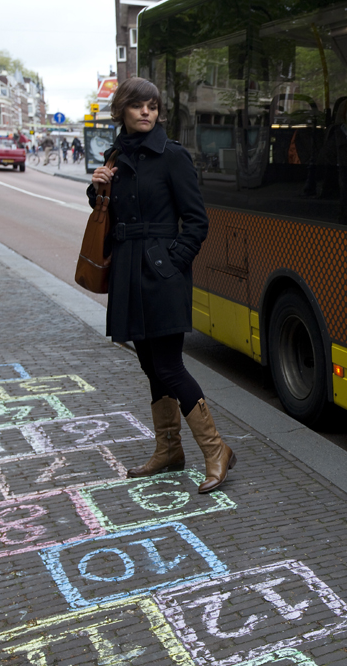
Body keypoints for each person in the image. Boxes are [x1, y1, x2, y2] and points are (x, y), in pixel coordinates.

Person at [88, 77, 236, 493]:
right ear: (122, 110)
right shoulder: (116, 155)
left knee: (169, 365)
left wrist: (172, 262)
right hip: (127, 273)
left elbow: (197, 220)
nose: (147, 112)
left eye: (152, 106)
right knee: (150, 365)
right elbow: (113, 211)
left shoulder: (172, 156)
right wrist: (97, 189)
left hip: (161, 274)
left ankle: (216, 450)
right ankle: (169, 451)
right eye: (138, 106)